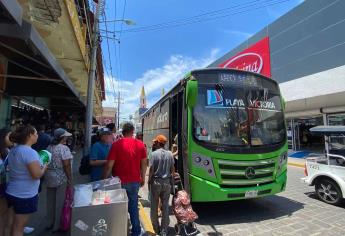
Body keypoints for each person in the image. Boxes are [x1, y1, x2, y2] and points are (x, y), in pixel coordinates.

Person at [103, 122, 147, 236]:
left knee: (117, 207)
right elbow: (144, 164)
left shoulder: (116, 145)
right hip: (134, 181)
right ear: (132, 131)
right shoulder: (140, 144)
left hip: (119, 182)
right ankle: (136, 232)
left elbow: (109, 165)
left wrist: (103, 179)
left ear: (123, 131)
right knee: (133, 207)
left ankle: (118, 230)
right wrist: (143, 178)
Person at [5, 125, 47, 236]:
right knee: (19, 228)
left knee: (9, 224)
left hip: (11, 191)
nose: (37, 135)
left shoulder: (14, 149)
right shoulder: (30, 152)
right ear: (30, 135)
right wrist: (45, 167)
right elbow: (36, 174)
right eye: (36, 133)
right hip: (24, 195)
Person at [45, 128, 73, 232]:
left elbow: (43, 160)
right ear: (62, 137)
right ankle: (58, 225)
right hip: (60, 176)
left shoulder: (48, 147)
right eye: (65, 136)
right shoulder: (64, 148)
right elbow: (66, 165)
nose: (67, 137)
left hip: (49, 176)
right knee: (60, 201)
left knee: (50, 201)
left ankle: (49, 222)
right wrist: (70, 179)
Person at [148, 135, 174, 236]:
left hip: (156, 182)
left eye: (156, 142)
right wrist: (171, 181)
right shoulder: (170, 154)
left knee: (154, 206)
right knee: (165, 206)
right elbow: (172, 169)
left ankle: (156, 228)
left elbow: (151, 170)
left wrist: (149, 181)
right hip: (167, 182)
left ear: (159, 143)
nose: (155, 143)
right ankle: (164, 230)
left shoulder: (153, 154)